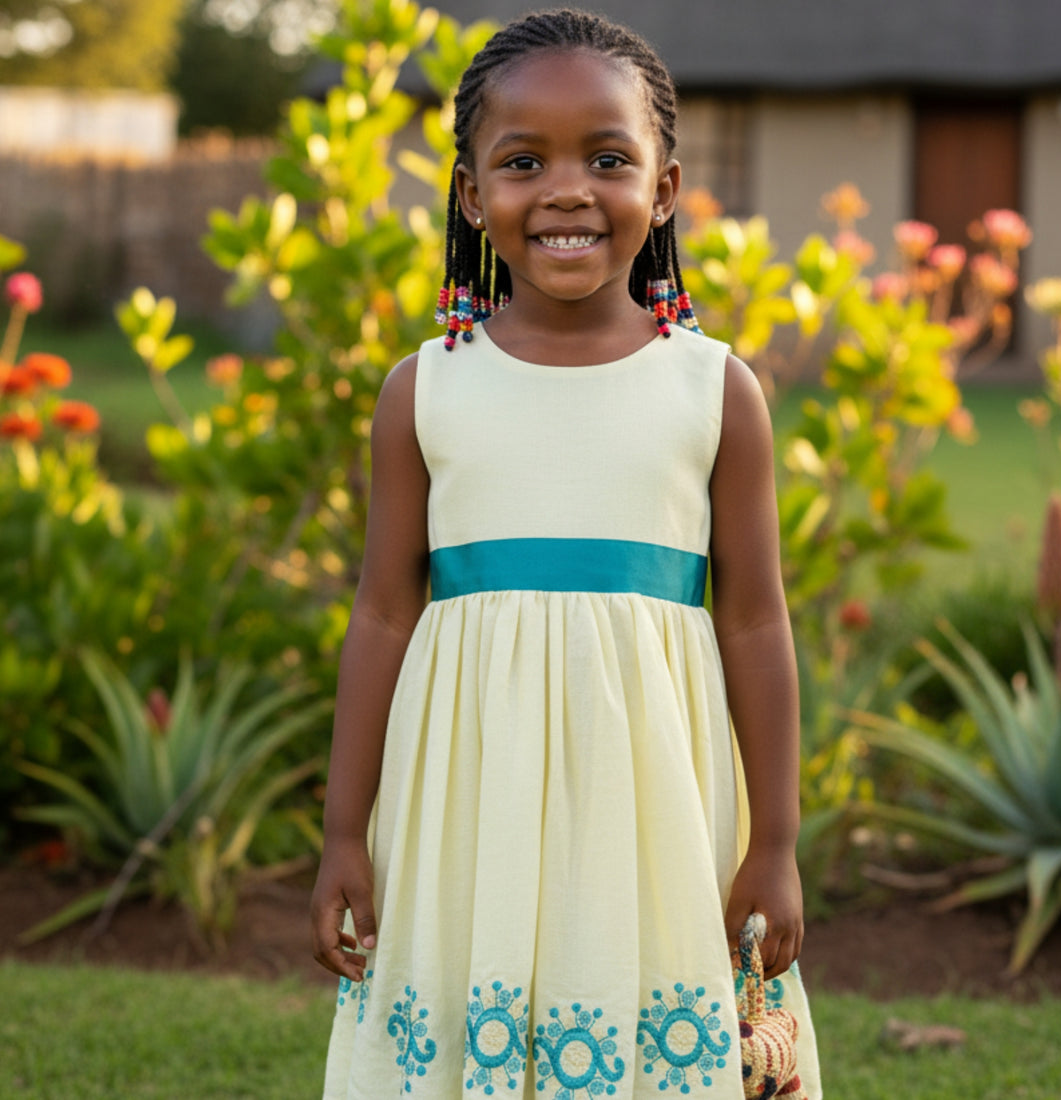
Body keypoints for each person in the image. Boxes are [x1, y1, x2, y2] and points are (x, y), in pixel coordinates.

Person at [311, 8, 822, 1097]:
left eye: (606, 159)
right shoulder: (424, 390)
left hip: (653, 800)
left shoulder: (715, 391)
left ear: (665, 189)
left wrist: (773, 842)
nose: (565, 191)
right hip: (468, 794)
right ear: (470, 194)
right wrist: (343, 833)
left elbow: (753, 619)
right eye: (522, 162)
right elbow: (384, 612)